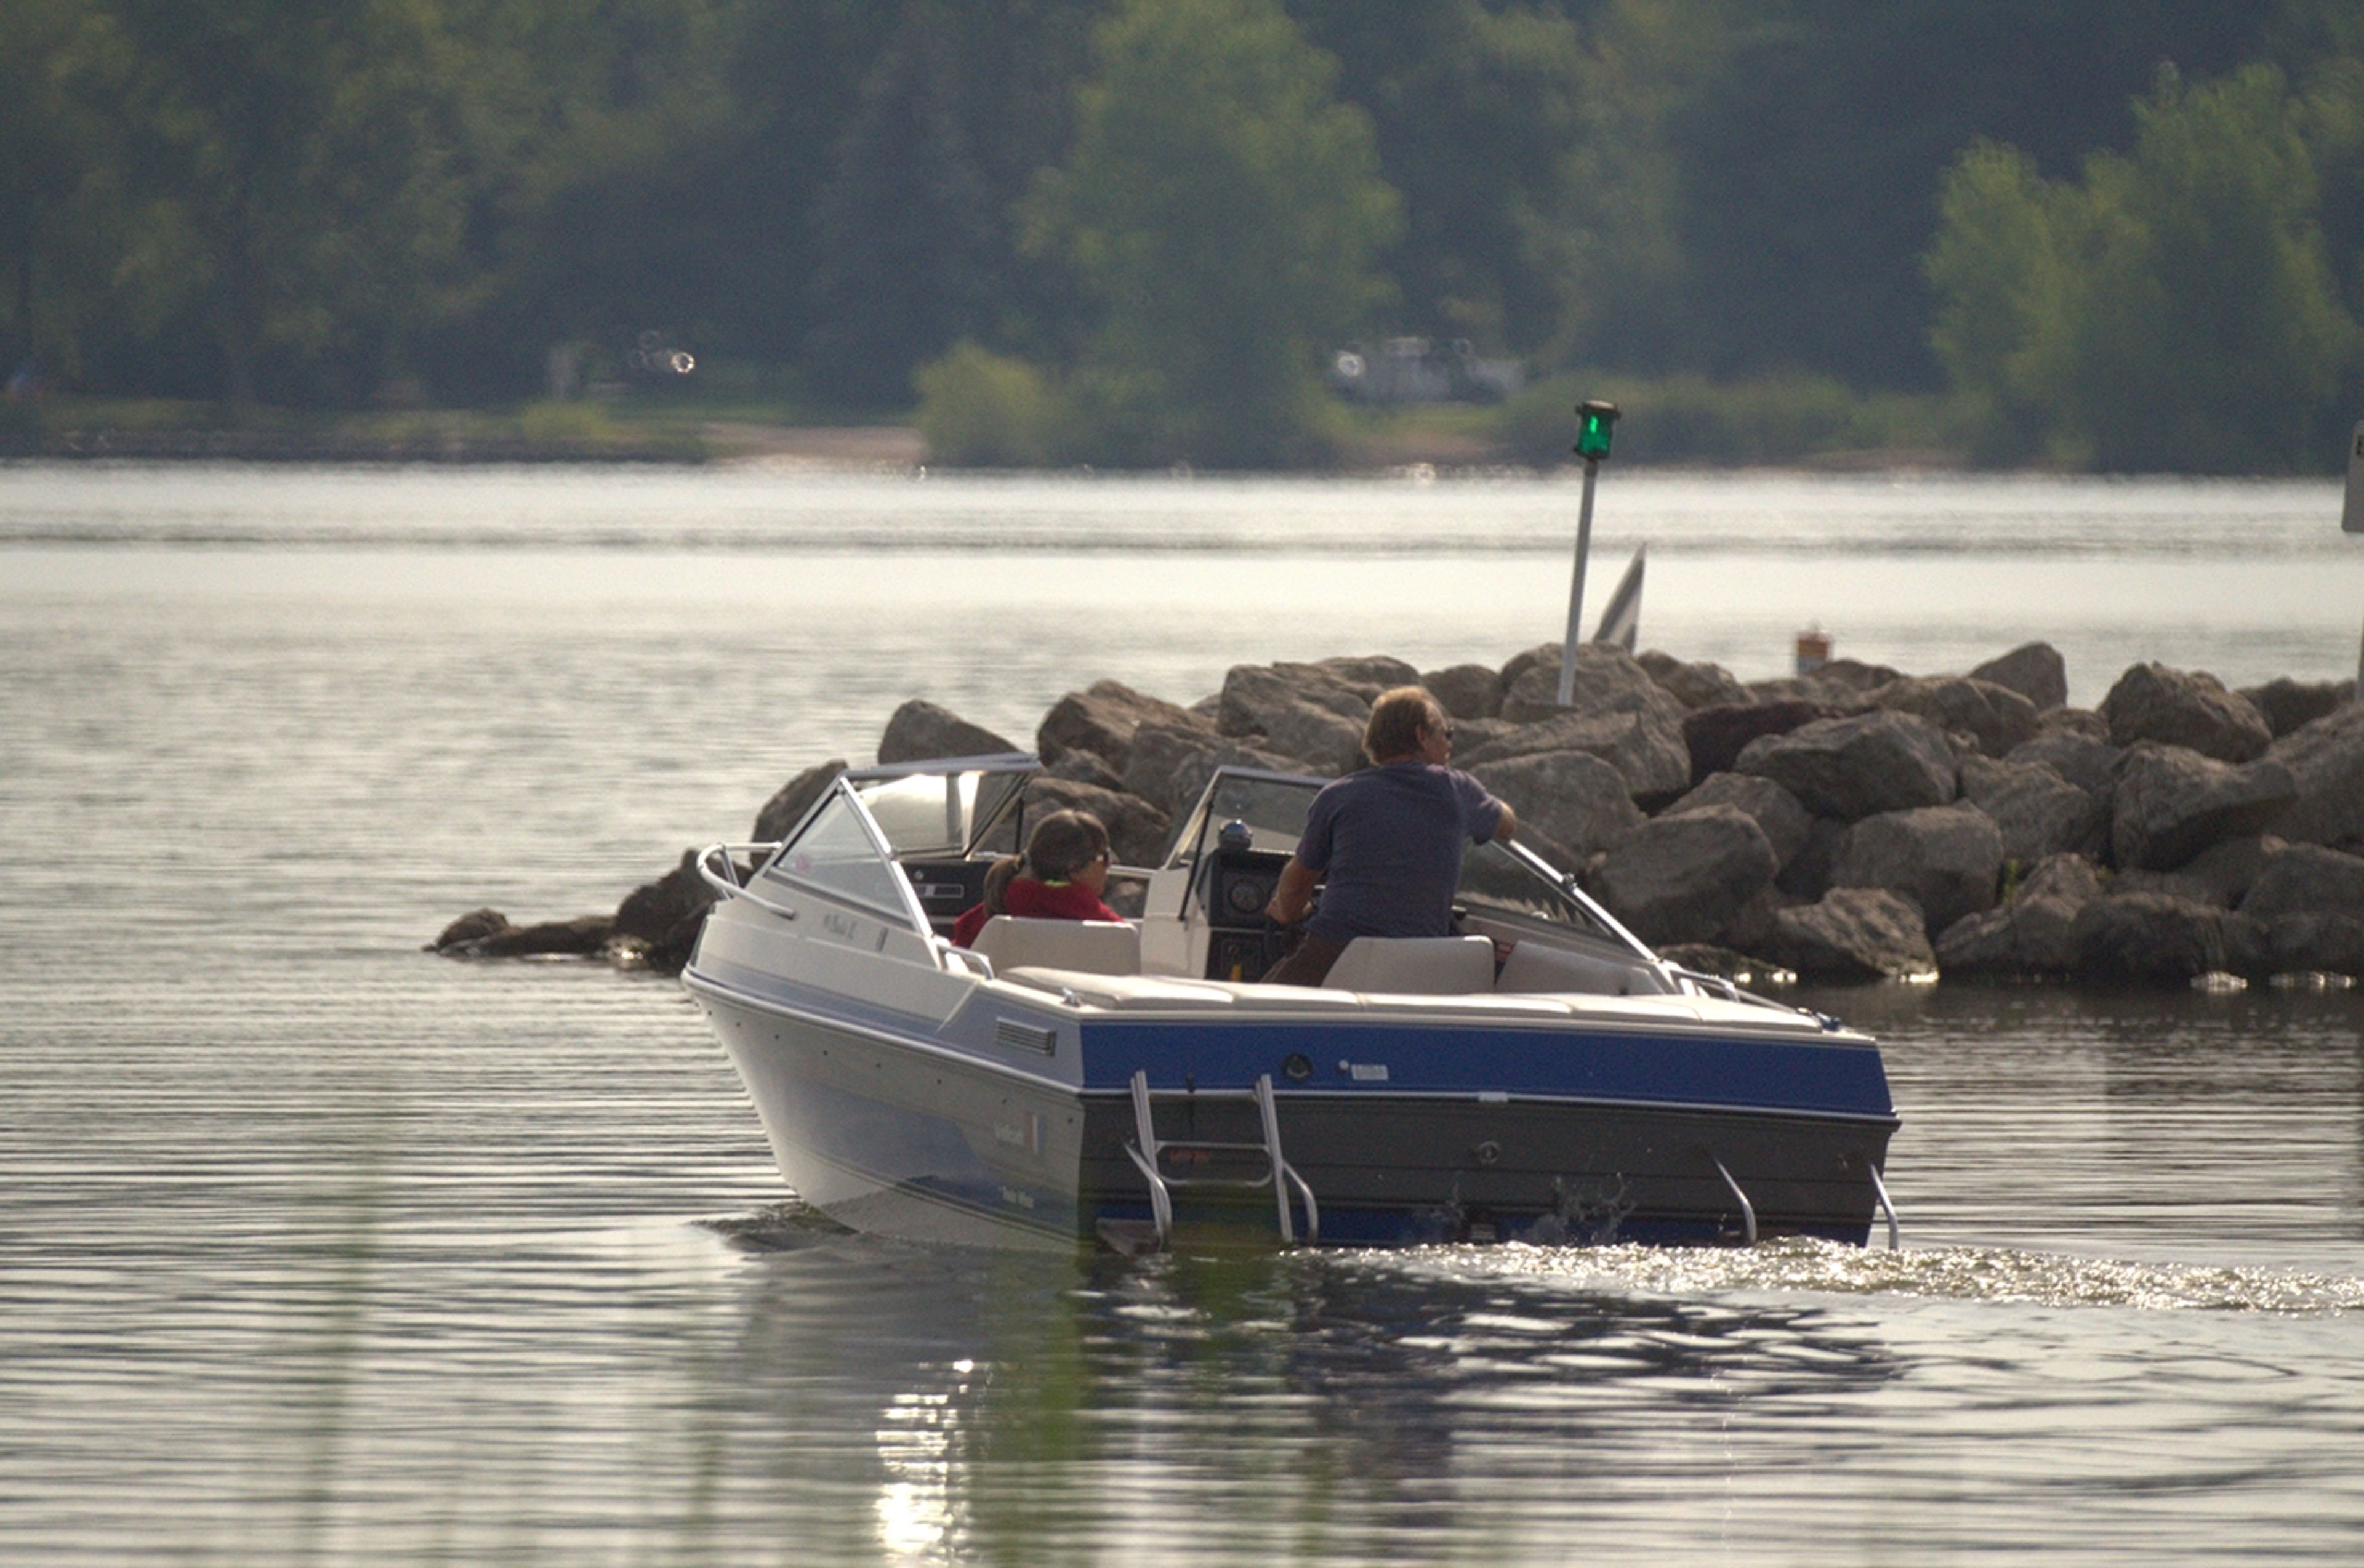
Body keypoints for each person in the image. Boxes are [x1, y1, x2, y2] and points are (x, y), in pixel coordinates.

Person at [1261, 686, 1516, 985]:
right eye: (1445, 733)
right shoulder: (1457, 790)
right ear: (1421, 736)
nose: (1450, 744)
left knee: (1256, 1017)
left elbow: (1298, 883)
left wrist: (1289, 912)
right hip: (1420, 959)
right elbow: (1507, 825)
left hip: (1339, 947)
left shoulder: (1338, 796)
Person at [951, 808, 1124, 947]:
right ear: (1074, 868)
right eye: (1104, 856)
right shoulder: (1106, 927)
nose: (1109, 865)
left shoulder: (992, 912)